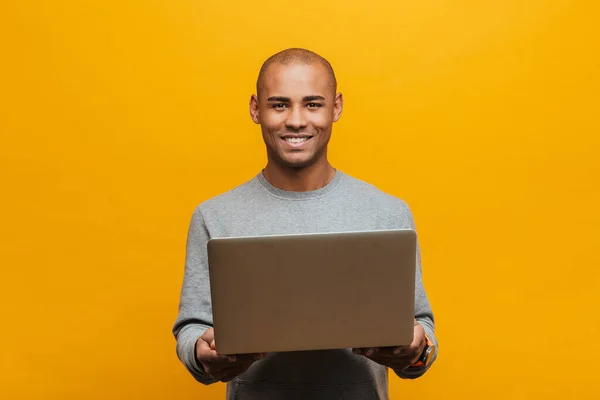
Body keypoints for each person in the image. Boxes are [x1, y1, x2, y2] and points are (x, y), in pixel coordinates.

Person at [172, 48, 438, 399]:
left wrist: (417, 351)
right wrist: (199, 352)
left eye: (313, 104)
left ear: (336, 107)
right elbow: (192, 327)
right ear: (256, 109)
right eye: (279, 104)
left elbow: (422, 333)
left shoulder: (387, 213)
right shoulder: (214, 215)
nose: (296, 120)